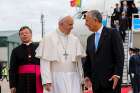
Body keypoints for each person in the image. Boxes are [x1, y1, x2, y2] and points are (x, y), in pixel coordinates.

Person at [36, 16, 85, 93]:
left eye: (72, 24)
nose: (72, 27)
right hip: (56, 78)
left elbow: (78, 62)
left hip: (74, 78)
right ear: (61, 24)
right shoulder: (49, 38)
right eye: (70, 24)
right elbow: (44, 62)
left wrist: (81, 78)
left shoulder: (75, 39)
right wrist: (46, 81)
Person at [84, 10, 124, 93]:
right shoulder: (89, 39)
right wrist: (87, 75)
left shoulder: (112, 33)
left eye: (87, 20)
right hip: (96, 85)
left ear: (95, 20)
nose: (85, 24)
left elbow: (119, 56)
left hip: (111, 82)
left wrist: (117, 74)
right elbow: (88, 60)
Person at [9, 26, 43, 93]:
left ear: (31, 34)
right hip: (21, 81)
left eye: (26, 33)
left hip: (38, 79)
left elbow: (45, 65)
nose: (24, 35)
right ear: (20, 36)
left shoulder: (39, 47)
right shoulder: (15, 50)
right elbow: (12, 69)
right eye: (21, 33)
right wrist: (12, 85)